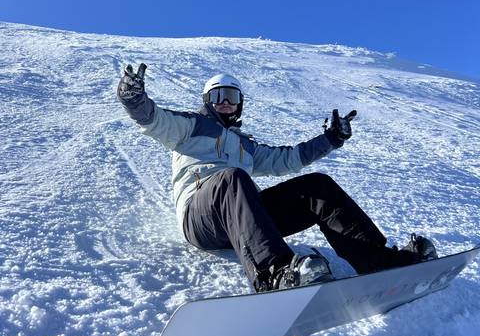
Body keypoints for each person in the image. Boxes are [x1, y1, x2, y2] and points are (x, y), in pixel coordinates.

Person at [117, 64, 437, 292]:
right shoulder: (190, 127)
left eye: (230, 96)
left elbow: (287, 159)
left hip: (241, 216)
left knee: (317, 186)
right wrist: (135, 100)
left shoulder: (245, 145)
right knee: (232, 178)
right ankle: (276, 274)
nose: (224, 102)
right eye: (217, 97)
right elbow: (156, 120)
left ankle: (379, 261)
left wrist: (330, 140)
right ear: (207, 103)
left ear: (239, 103)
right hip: (201, 218)